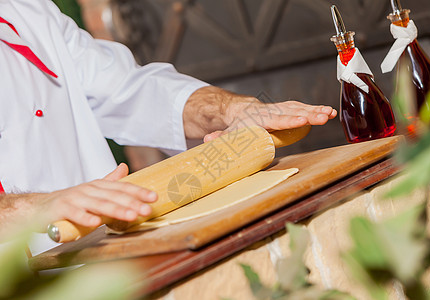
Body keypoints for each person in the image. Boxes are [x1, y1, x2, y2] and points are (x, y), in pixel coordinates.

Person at [0, 0, 336, 254]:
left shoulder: (25, 11)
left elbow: (129, 89)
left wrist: (232, 109)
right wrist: (31, 208)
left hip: (105, 260)